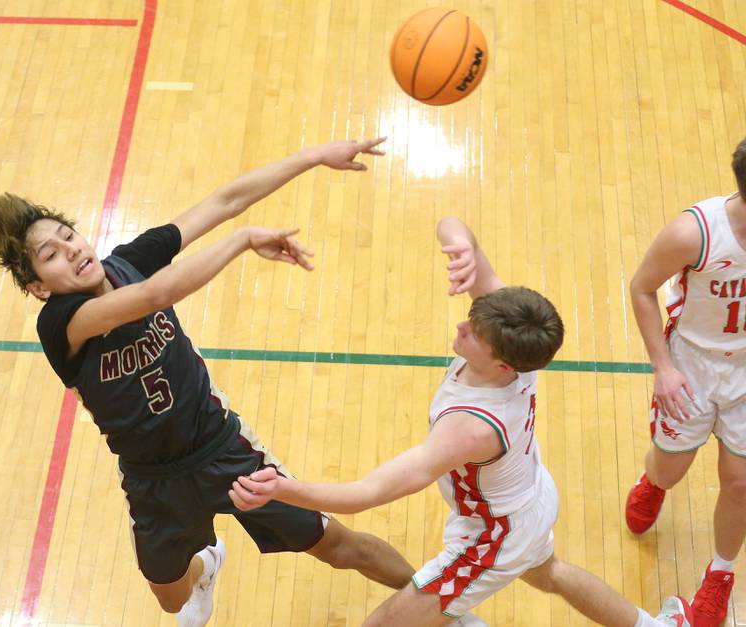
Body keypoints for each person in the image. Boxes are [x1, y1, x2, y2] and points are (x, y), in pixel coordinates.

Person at [0, 137, 416, 627]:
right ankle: (206, 565)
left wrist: (313, 156)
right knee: (172, 600)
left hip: (220, 447)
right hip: (153, 480)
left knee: (339, 547)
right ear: (39, 287)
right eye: (51, 255)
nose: (72, 249)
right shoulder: (62, 323)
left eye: (69, 236)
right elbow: (156, 294)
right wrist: (243, 239)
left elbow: (224, 201)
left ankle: (445, 604)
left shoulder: (128, 261)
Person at [230, 216, 695, 627]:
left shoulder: (470, 429)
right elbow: (451, 221)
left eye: (472, 334)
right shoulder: (513, 333)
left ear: (503, 367)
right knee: (549, 574)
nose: (461, 328)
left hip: (492, 535)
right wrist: (462, 247)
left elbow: (366, 493)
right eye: (470, 320)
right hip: (529, 498)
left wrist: (284, 490)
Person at [625, 137, 746, 627]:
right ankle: (654, 481)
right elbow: (641, 288)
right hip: (691, 363)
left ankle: (720, 573)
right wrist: (663, 368)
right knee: (672, 470)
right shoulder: (693, 232)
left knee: (740, 483)